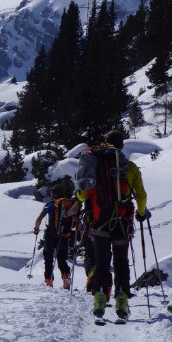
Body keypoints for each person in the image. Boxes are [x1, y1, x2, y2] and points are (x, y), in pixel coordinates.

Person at [76, 129, 149, 320]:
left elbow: (82, 193)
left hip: (98, 221)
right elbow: (141, 195)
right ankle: (122, 302)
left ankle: (99, 300)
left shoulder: (93, 164)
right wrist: (141, 213)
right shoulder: (129, 167)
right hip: (122, 221)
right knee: (121, 262)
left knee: (101, 262)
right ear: (121, 146)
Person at [33, 186, 76, 288]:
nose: (51, 194)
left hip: (50, 235)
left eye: (52, 193)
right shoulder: (68, 204)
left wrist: (36, 229)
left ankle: (49, 282)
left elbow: (39, 219)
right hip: (64, 236)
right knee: (62, 260)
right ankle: (66, 280)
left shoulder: (50, 204)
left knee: (48, 259)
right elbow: (74, 220)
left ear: (55, 194)